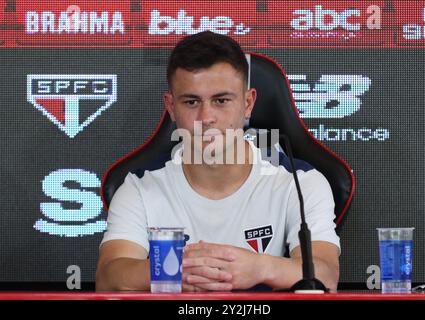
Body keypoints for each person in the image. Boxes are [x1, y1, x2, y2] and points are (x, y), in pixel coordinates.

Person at [96, 31, 340, 292]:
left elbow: (326, 276)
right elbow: (108, 280)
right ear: (171, 107)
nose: (206, 117)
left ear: (248, 104)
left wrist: (260, 268)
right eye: (191, 101)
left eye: (221, 100)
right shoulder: (140, 187)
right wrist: (180, 268)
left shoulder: (300, 182)